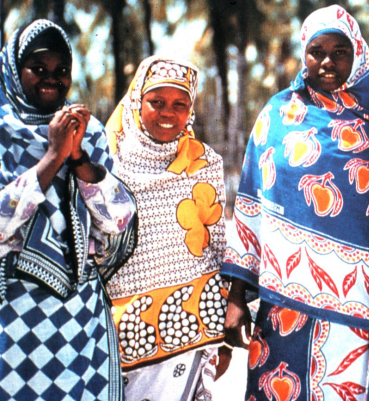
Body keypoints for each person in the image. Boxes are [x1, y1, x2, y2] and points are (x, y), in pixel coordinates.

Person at [222, 5, 369, 401]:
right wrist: (236, 296)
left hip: (355, 311)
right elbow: (251, 203)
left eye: (340, 51)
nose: (328, 62)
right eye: (317, 50)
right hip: (281, 304)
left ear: (358, 55)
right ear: (303, 53)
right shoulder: (276, 115)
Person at [0, 20, 137, 400]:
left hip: (79, 314)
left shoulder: (87, 131)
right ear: (13, 71)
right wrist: (53, 155)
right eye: (38, 69)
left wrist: (77, 156)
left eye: (61, 71)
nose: (51, 80)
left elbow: (117, 220)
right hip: (13, 315)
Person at [103, 56, 228, 400]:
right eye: (156, 102)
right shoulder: (108, 164)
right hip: (123, 335)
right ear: (136, 102)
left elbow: (216, 249)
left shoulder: (206, 163)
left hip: (193, 332)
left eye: (180, 105)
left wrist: (223, 336)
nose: (168, 113)